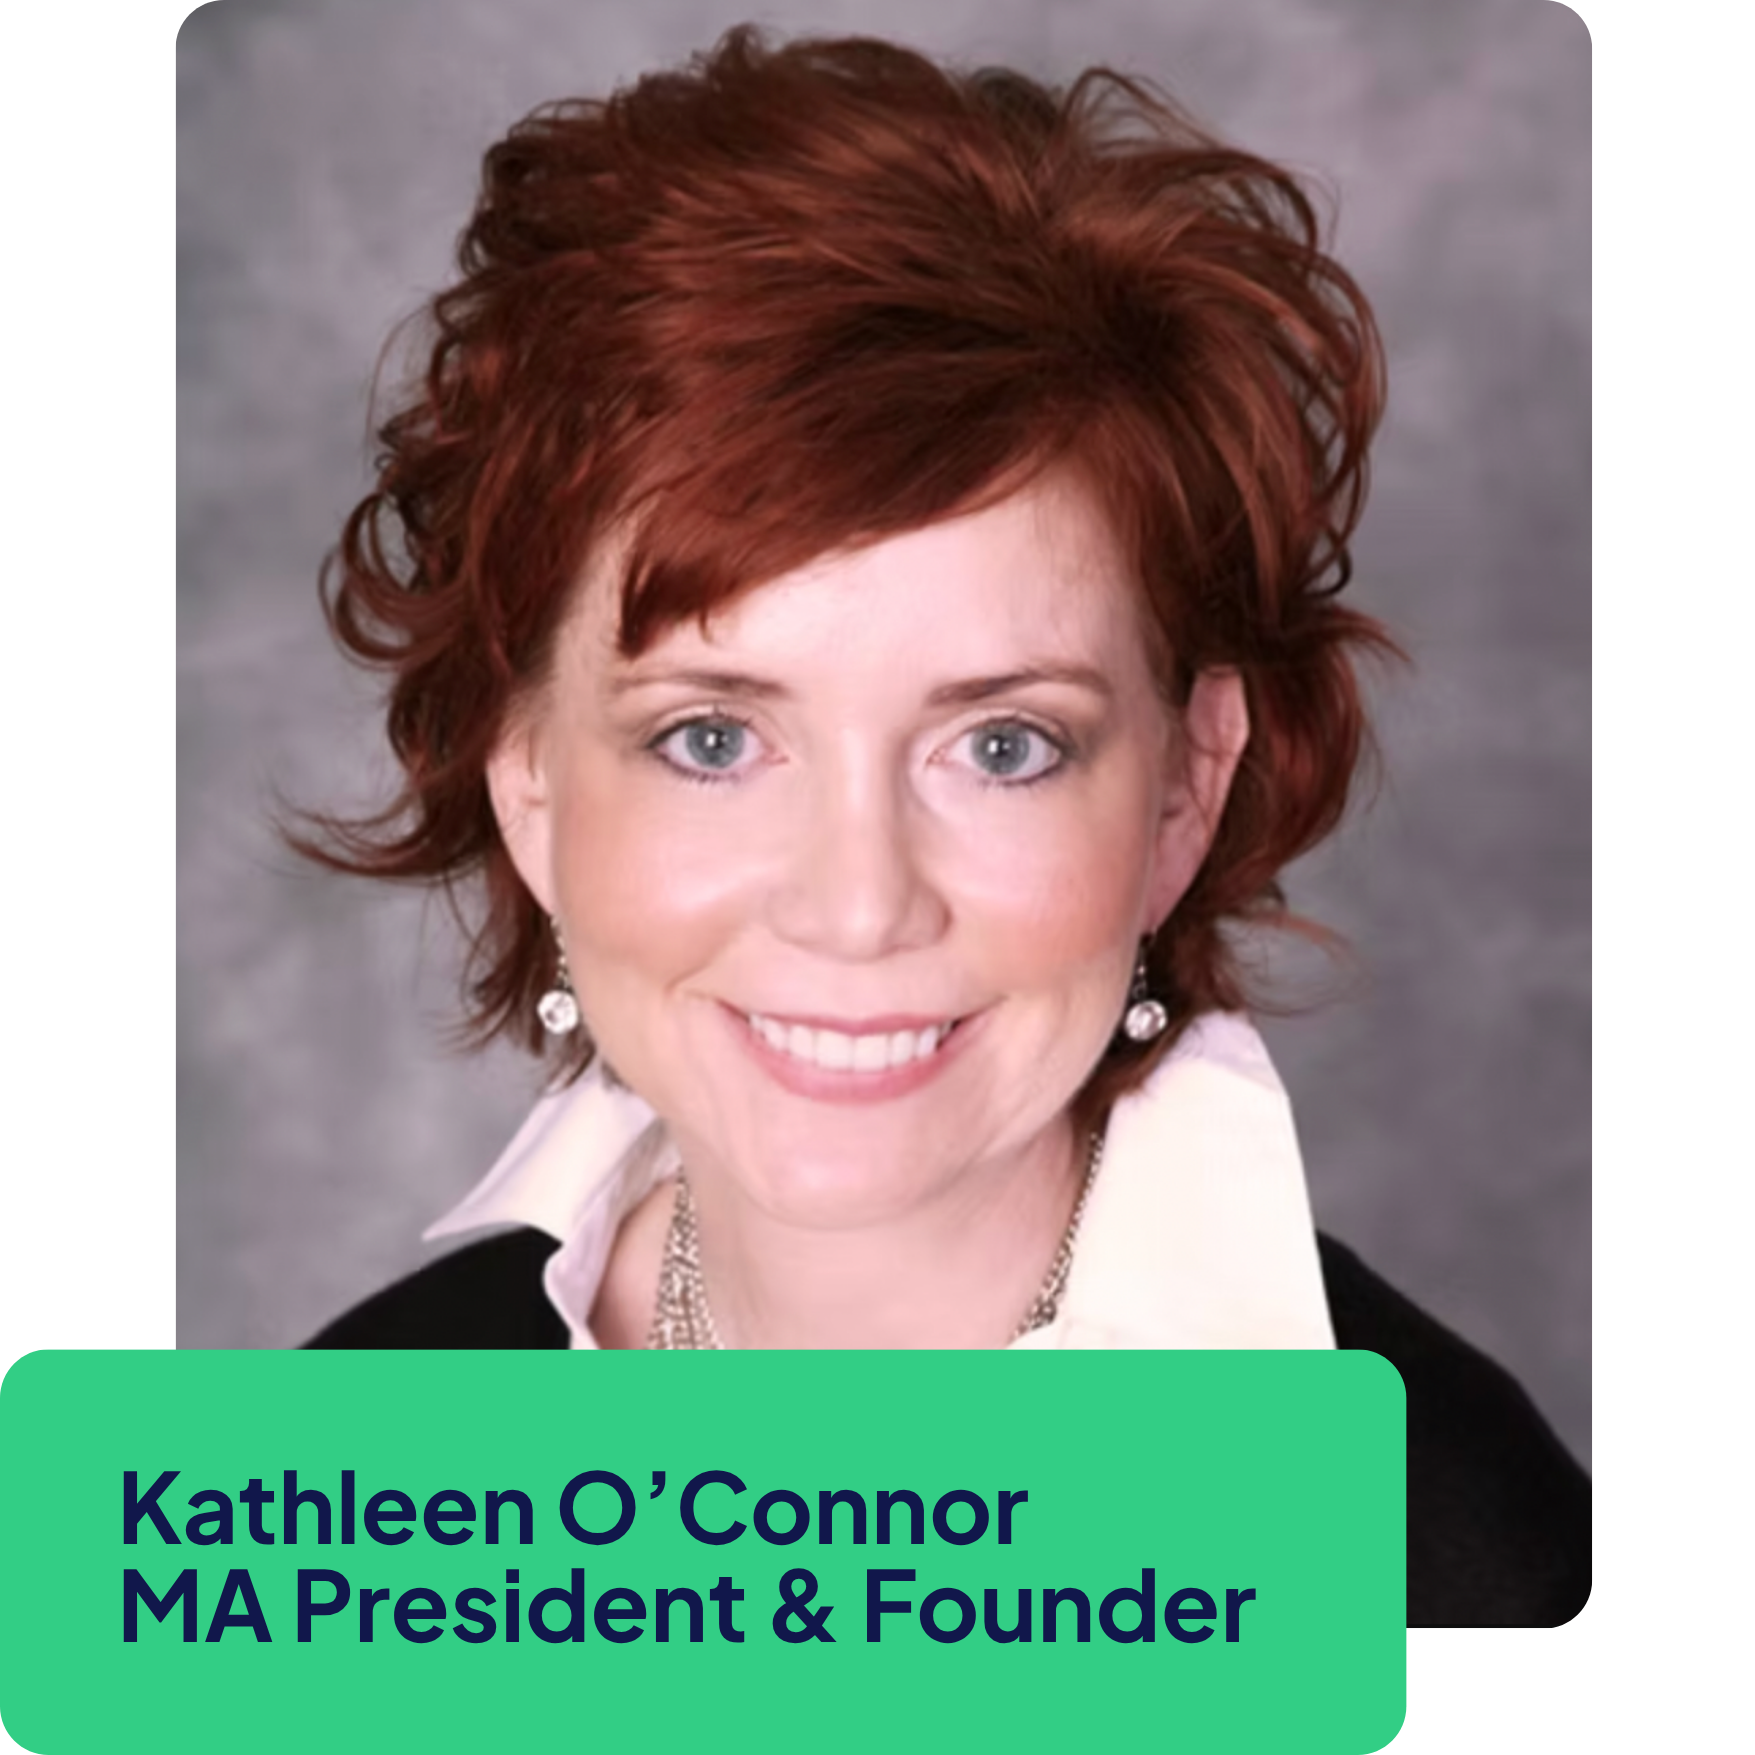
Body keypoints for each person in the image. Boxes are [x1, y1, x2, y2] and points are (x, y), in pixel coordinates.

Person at [299, 26, 1588, 1623]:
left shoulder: (1442, 1563)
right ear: (530, 785)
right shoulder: (350, 1470)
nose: (858, 906)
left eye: (999, 742)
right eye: (711, 736)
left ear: (1183, 789)